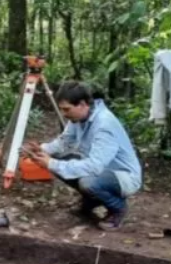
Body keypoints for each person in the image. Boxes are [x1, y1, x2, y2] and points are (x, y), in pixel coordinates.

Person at [25, 81, 141, 230]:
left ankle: (118, 208)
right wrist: (42, 150)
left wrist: (51, 163)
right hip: (101, 169)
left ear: (82, 104)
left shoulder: (104, 125)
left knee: (88, 182)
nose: (64, 114)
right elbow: (64, 142)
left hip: (124, 176)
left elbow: (94, 166)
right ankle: (92, 200)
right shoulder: (79, 118)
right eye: (62, 110)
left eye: (67, 109)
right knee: (58, 160)